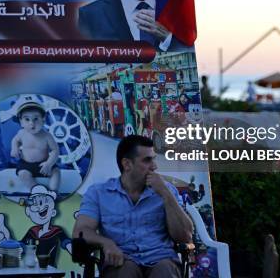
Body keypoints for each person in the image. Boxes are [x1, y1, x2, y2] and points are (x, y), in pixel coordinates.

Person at [73, 135, 193, 278]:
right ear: (127, 164)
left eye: (153, 159)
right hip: (121, 259)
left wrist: (166, 195)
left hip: (161, 258)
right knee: (124, 271)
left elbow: (185, 236)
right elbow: (80, 231)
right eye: (147, 160)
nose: (154, 166)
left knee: (164, 271)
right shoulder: (99, 193)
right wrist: (106, 243)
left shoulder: (167, 190)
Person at [10, 100, 61, 191]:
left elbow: (55, 150)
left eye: (36, 119)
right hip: (26, 164)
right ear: (21, 122)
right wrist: (14, 148)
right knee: (23, 174)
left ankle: (53, 191)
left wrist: (49, 164)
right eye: (27, 119)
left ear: (43, 120)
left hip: (43, 164)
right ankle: (37, 190)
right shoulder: (21, 133)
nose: (31, 123)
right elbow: (15, 140)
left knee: (56, 172)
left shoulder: (47, 136)